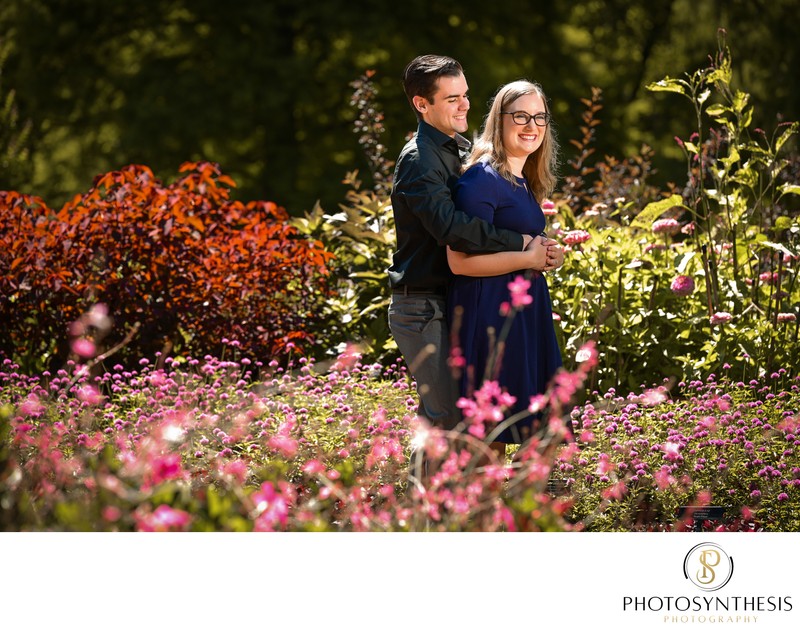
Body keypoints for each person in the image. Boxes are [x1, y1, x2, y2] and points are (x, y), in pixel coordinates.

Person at [387, 55, 557, 437]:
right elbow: (453, 228)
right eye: (451, 98)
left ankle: (425, 497)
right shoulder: (419, 159)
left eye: (465, 94)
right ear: (421, 104)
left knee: (447, 421)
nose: (464, 104)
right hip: (421, 305)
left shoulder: (455, 150)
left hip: (447, 298)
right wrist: (523, 244)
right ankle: (429, 499)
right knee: (448, 422)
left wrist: (536, 248)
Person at [446, 79, 565, 451]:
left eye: (539, 117)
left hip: (523, 316)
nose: (531, 126)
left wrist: (548, 255)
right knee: (493, 436)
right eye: (521, 116)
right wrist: (528, 257)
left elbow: (521, 241)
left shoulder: (521, 180)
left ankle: (524, 508)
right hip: (491, 316)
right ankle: (480, 509)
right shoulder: (482, 178)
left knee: (533, 433)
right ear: (500, 121)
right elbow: (459, 261)